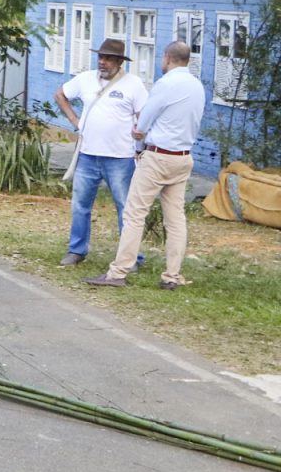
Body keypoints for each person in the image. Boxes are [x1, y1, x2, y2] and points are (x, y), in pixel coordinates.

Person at [86, 41, 206, 290]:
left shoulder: (166, 84)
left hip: (157, 156)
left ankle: (118, 271)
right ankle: (171, 276)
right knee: (175, 219)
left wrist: (139, 146)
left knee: (134, 214)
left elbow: (144, 122)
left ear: (167, 58)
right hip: (183, 156)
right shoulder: (197, 86)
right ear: (188, 60)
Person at [54, 38, 149, 266]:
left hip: (120, 157)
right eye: (100, 57)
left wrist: (141, 136)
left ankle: (130, 257)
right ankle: (76, 250)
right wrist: (75, 121)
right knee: (80, 205)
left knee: (125, 208)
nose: (103, 62)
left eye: (108, 59)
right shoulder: (86, 79)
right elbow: (60, 95)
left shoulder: (133, 84)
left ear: (119, 62)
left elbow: (143, 115)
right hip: (88, 154)